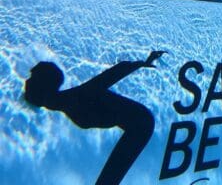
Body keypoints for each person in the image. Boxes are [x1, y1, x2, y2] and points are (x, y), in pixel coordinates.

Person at [24, 51, 165, 185]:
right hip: (135, 123)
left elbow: (111, 75)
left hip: (141, 123)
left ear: (43, 87)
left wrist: (143, 62)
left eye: (31, 78)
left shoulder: (75, 98)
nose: (26, 82)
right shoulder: (65, 101)